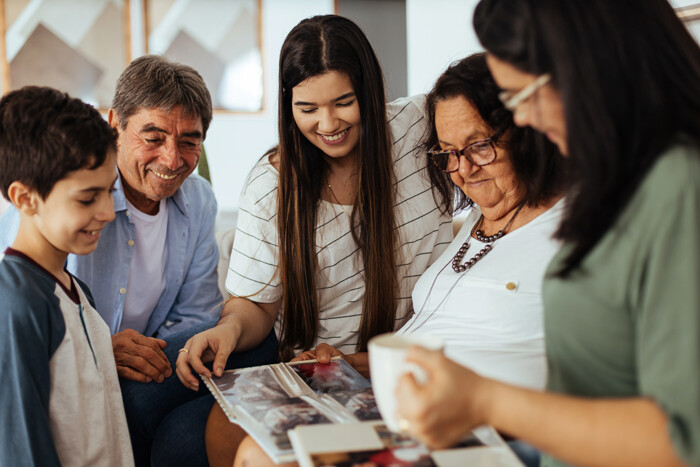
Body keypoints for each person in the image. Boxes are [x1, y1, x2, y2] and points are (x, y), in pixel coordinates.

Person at [396, 1, 700, 467]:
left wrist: (484, 400)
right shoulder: (622, 185)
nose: (525, 122)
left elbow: (684, 443)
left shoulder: (678, 186)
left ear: (589, 65)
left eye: (524, 96)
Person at [174, 15, 453, 467]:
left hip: (406, 360)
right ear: (288, 106)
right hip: (317, 369)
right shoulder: (271, 185)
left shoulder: (419, 127)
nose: (328, 124)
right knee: (208, 435)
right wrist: (227, 329)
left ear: (370, 91)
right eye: (307, 109)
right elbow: (257, 304)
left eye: (344, 102)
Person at [294, 52, 565, 467]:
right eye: (448, 154)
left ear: (527, 131)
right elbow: (438, 345)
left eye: (479, 146)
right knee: (239, 434)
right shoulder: (478, 219)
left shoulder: (571, 230)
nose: (463, 170)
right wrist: (349, 365)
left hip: (479, 427)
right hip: (408, 402)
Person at [0, 55, 273, 466]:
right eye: (153, 137)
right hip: (105, 376)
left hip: (161, 360)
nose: (171, 159)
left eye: (188, 141)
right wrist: (106, 351)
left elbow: (196, 315)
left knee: (254, 349)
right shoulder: (45, 242)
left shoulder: (196, 201)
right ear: (116, 125)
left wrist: (145, 353)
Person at [0, 86, 132, 465]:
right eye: (87, 198)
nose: (108, 212)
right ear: (25, 199)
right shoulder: (17, 304)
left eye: (110, 191)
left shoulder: (78, 293)